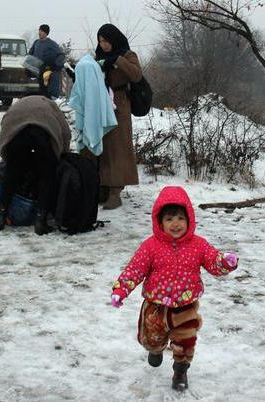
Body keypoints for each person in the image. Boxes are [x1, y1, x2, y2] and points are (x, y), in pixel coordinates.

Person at [110, 186, 239, 391]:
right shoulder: (150, 246)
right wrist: (120, 290)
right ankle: (155, 349)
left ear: (189, 219)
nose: (175, 224)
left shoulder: (198, 245)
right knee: (151, 339)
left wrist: (225, 262)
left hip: (185, 307)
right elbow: (135, 269)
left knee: (186, 342)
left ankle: (180, 371)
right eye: (169, 219)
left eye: (180, 218)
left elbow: (213, 262)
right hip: (155, 306)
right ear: (160, 222)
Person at [0, 95, 71, 235]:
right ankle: (41, 221)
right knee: (47, 176)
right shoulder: (50, 105)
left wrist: (9, 159)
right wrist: (62, 155)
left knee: (12, 173)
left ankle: (1, 215)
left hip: (16, 133)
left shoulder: (17, 106)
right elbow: (65, 131)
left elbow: (5, 126)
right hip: (42, 132)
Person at [93, 23, 142, 210]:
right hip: (101, 103)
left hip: (120, 104)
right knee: (102, 146)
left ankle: (115, 191)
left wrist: (117, 60)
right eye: (100, 41)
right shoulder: (99, 56)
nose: (103, 44)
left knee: (118, 147)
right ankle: (103, 186)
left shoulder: (128, 55)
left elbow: (136, 75)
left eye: (106, 41)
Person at [29, 24, 65, 99]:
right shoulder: (36, 43)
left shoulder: (52, 44)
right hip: (38, 71)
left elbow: (61, 55)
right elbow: (30, 54)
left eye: (41, 31)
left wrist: (56, 65)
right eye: (39, 30)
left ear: (46, 33)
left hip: (47, 72)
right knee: (40, 91)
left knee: (47, 92)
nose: (39, 32)